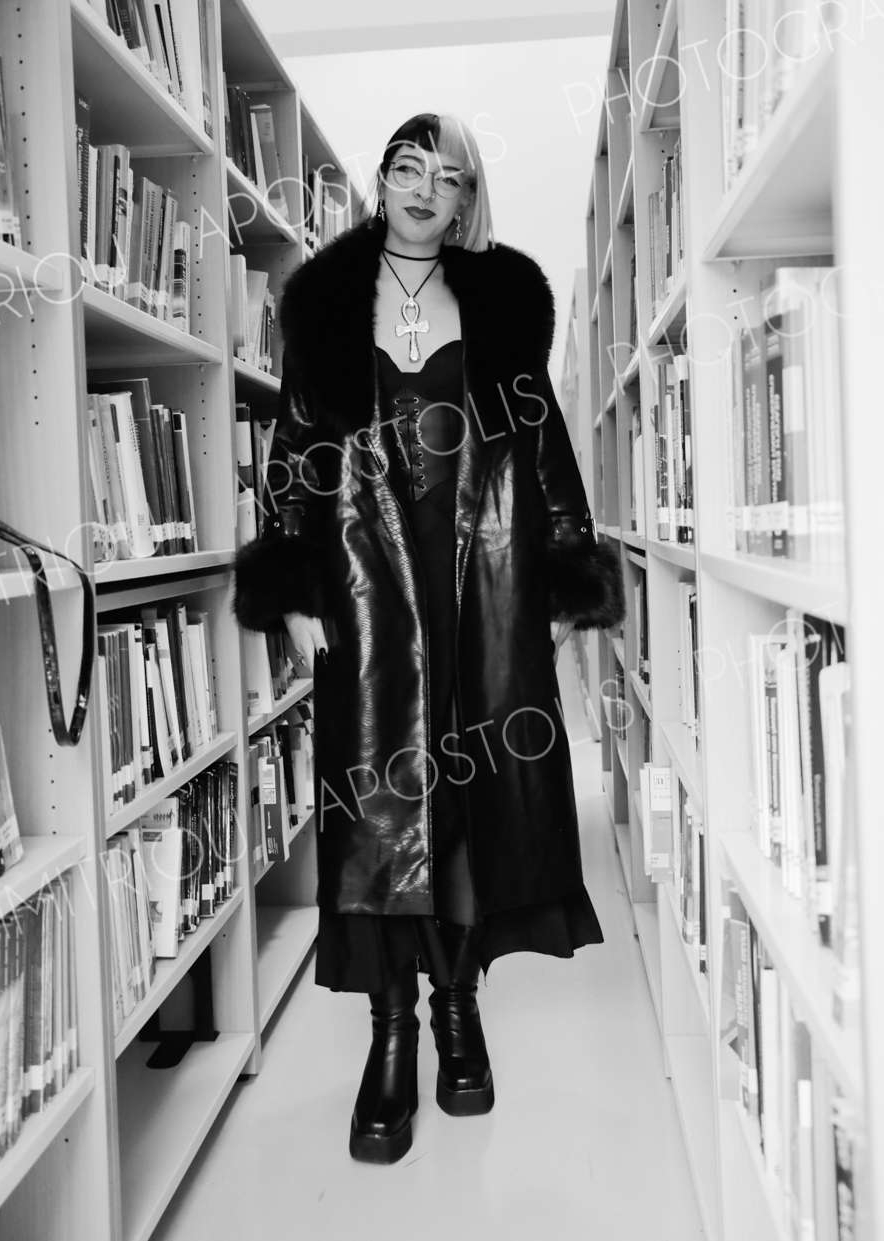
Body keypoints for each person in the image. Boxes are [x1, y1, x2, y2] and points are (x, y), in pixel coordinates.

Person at [232, 111, 625, 1166]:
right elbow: (295, 446)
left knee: (470, 798)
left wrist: (568, 572)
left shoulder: (501, 301)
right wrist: (291, 580)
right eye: (406, 166)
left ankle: (457, 1004)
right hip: (366, 584)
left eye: (445, 176)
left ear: (465, 200)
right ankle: (391, 1030)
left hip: (483, 579)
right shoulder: (325, 300)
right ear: (381, 180)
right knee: (378, 807)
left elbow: (539, 439)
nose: (420, 187)